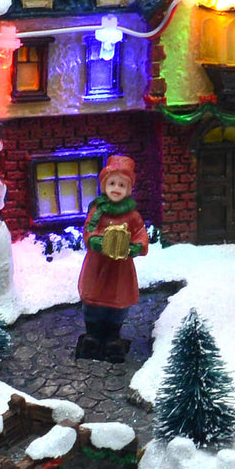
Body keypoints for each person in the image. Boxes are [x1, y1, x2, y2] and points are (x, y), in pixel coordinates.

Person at [76, 155, 149, 362]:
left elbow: (141, 235)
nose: (116, 188)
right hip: (98, 266)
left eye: (122, 185)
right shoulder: (97, 210)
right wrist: (97, 242)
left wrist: (134, 247)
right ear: (104, 186)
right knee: (93, 301)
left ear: (128, 189)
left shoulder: (132, 216)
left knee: (118, 303)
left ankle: (112, 336)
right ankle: (93, 335)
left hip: (120, 269)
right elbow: (89, 230)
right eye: (112, 183)